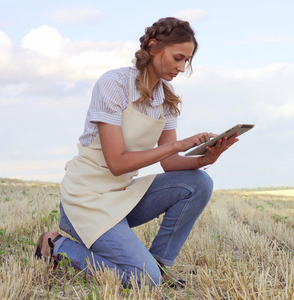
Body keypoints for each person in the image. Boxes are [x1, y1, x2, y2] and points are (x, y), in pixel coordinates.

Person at [34, 17, 239, 288]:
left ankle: (159, 263)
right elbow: (117, 163)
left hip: (122, 195)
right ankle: (57, 244)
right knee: (143, 281)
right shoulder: (114, 83)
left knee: (199, 182)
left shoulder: (166, 97)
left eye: (186, 61)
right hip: (87, 199)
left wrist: (205, 158)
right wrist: (179, 144)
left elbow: (169, 163)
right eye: (178, 58)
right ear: (153, 46)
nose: (181, 67)